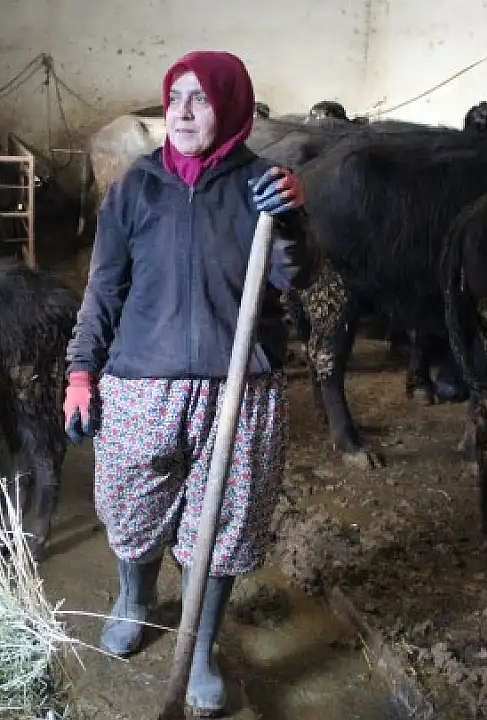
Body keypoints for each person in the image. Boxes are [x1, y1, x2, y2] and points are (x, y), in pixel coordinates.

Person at [62, 50, 316, 717]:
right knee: (131, 505)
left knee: (225, 521)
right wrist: (81, 371)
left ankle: (199, 646)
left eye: (200, 98)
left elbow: (297, 277)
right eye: (175, 97)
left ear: (231, 107)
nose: (181, 111)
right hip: (141, 381)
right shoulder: (135, 188)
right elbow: (102, 289)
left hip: (239, 389)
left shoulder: (262, 186)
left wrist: (291, 221)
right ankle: (135, 597)